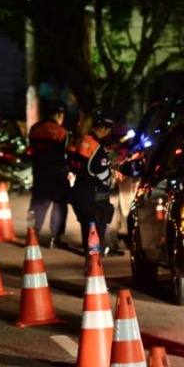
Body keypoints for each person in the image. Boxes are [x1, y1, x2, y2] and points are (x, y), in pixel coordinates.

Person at [68, 108, 115, 262]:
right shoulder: (96, 147)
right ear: (103, 128)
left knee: (86, 233)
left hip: (78, 192)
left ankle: (90, 268)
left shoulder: (76, 140)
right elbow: (103, 176)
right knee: (96, 235)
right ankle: (94, 274)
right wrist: (112, 176)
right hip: (93, 195)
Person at [28, 102, 70, 248]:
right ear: (59, 115)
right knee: (59, 205)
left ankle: (32, 235)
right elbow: (66, 153)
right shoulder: (61, 132)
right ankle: (55, 237)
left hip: (39, 172)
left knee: (36, 205)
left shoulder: (34, 129)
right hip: (57, 174)